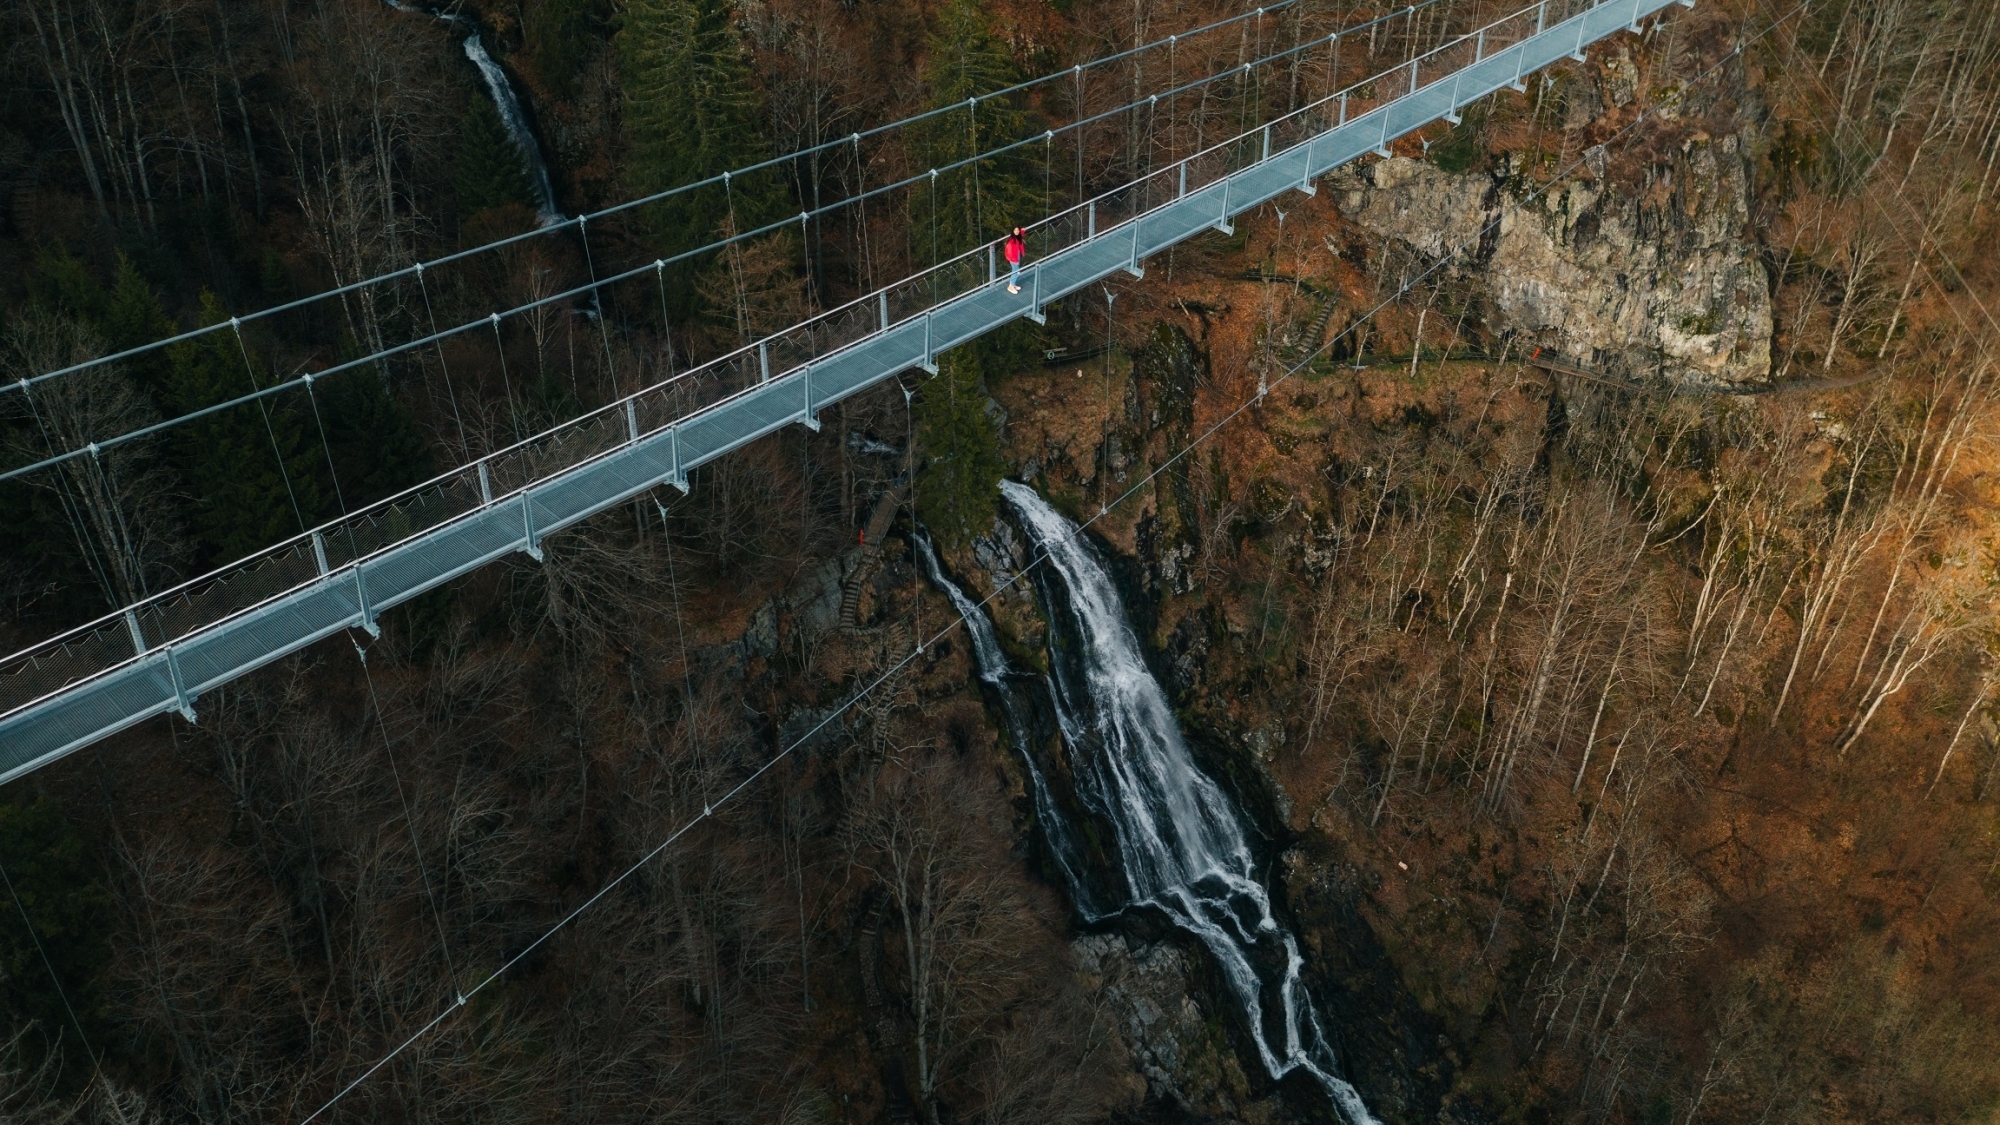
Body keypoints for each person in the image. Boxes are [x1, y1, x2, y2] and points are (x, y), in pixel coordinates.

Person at [1004, 227, 1025, 294]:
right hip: (1013, 258)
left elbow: (1019, 235)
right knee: (1016, 272)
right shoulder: (1011, 240)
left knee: (1014, 271)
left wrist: (1022, 231)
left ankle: (1012, 285)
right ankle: (1010, 287)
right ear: (1012, 231)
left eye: (1018, 230)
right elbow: (1010, 252)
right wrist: (1015, 260)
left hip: (1016, 256)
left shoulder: (1016, 237)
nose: (1017, 231)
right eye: (1015, 230)